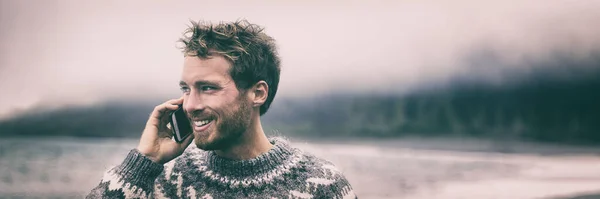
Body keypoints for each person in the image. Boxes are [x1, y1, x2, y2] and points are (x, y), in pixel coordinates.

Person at [86, 19, 357, 199]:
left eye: (208, 88)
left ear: (257, 93)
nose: (190, 105)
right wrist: (142, 164)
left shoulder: (322, 185)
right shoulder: (165, 183)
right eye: (186, 89)